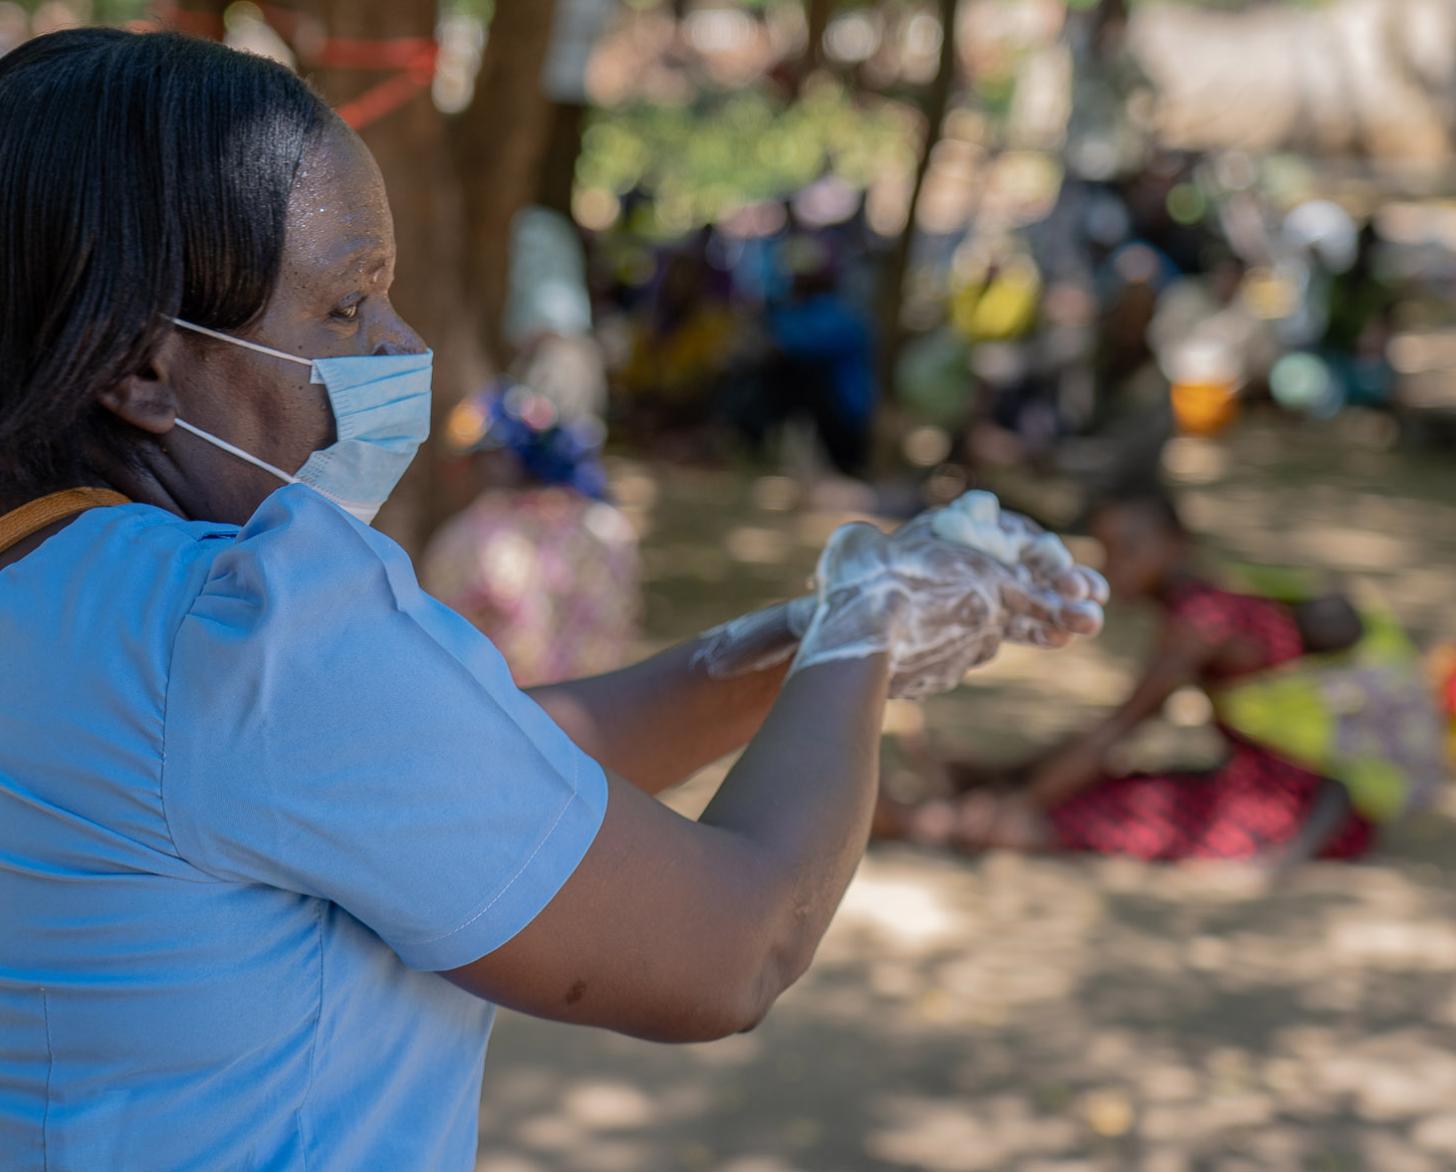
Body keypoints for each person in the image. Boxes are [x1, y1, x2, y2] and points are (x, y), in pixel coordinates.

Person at [0, 30, 1105, 1169]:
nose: (402, 346)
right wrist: (874, 612)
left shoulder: (62, 597)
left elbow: (476, 758)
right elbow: (740, 941)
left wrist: (806, 635)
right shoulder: (247, 630)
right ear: (140, 367)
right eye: (345, 308)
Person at [879, 486, 1447, 867]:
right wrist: (1015, 777)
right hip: (1289, 789)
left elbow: (1116, 734)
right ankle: (975, 788)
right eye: (1105, 549)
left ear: (1175, 543)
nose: (1111, 564)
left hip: (1288, 807)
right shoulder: (1212, 597)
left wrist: (1021, 804)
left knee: (1084, 813)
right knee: (1105, 788)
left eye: (1128, 547)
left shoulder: (1199, 624)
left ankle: (919, 821)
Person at [421, 382, 640, 686]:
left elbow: (441, 645)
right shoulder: (608, 527)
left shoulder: (467, 539)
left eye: (467, 462)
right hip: (599, 708)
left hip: (508, 717)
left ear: (498, 461)